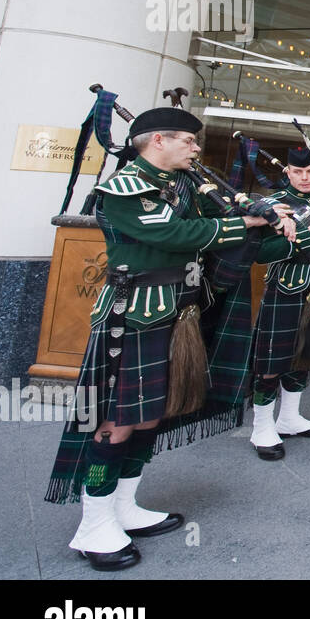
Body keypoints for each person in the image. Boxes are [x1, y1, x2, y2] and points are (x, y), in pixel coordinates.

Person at [45, 107, 288, 571]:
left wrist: (265, 216)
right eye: (189, 141)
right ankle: (93, 522)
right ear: (158, 141)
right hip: (131, 318)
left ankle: (125, 506)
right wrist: (246, 224)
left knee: (148, 417)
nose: (196, 149)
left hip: (176, 313)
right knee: (114, 423)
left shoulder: (184, 186)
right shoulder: (121, 188)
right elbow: (175, 234)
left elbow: (214, 225)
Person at [246, 139, 310, 461]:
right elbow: (262, 253)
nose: (304, 177)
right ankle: (261, 427)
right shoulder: (275, 204)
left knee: (306, 353)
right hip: (286, 288)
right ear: (287, 173)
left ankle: (289, 418)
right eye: (298, 171)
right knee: (272, 360)